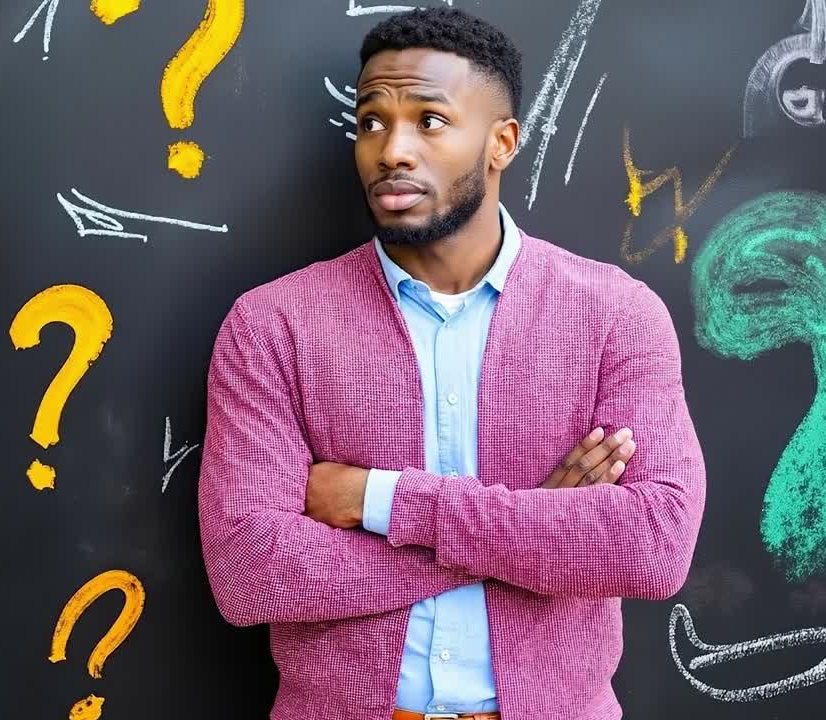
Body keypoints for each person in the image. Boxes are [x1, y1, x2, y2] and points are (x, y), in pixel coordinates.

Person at [197, 7, 706, 720]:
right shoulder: (272, 325)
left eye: (429, 121)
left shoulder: (617, 316)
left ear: (501, 142)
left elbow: (653, 548)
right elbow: (250, 573)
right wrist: (537, 532)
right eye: (372, 121)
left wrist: (378, 501)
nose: (391, 150)